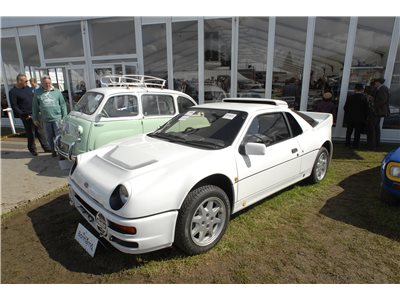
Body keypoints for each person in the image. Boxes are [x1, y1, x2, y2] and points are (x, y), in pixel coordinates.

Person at [9, 74, 51, 156]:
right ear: (19, 81)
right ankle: (32, 149)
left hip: (35, 113)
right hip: (26, 116)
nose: (27, 82)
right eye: (25, 81)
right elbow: (14, 106)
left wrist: (38, 110)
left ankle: (46, 147)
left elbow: (34, 99)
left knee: (40, 131)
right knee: (31, 133)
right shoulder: (13, 92)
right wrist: (23, 115)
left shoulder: (28, 89)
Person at [32, 75, 67, 157]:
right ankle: (53, 151)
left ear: (51, 83)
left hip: (57, 118)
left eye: (49, 83)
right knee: (49, 137)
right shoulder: (37, 92)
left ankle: (61, 153)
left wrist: (64, 116)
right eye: (45, 83)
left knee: (59, 137)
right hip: (46, 119)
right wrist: (35, 118)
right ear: (42, 83)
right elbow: (35, 106)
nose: (47, 85)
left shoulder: (57, 91)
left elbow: (62, 105)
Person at [343, 83, 368, 148]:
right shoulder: (364, 98)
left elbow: (345, 107)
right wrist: (364, 116)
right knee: (357, 132)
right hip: (360, 118)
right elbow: (366, 109)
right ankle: (356, 144)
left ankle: (347, 143)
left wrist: (348, 113)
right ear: (362, 90)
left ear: (355, 90)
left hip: (350, 117)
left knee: (349, 131)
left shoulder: (350, 97)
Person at [369, 77, 390, 149]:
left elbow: (382, 100)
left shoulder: (383, 89)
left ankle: (373, 144)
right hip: (378, 111)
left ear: (378, 82)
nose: (375, 83)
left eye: (375, 82)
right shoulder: (380, 88)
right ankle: (375, 143)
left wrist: (373, 105)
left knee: (373, 127)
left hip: (378, 111)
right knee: (376, 127)